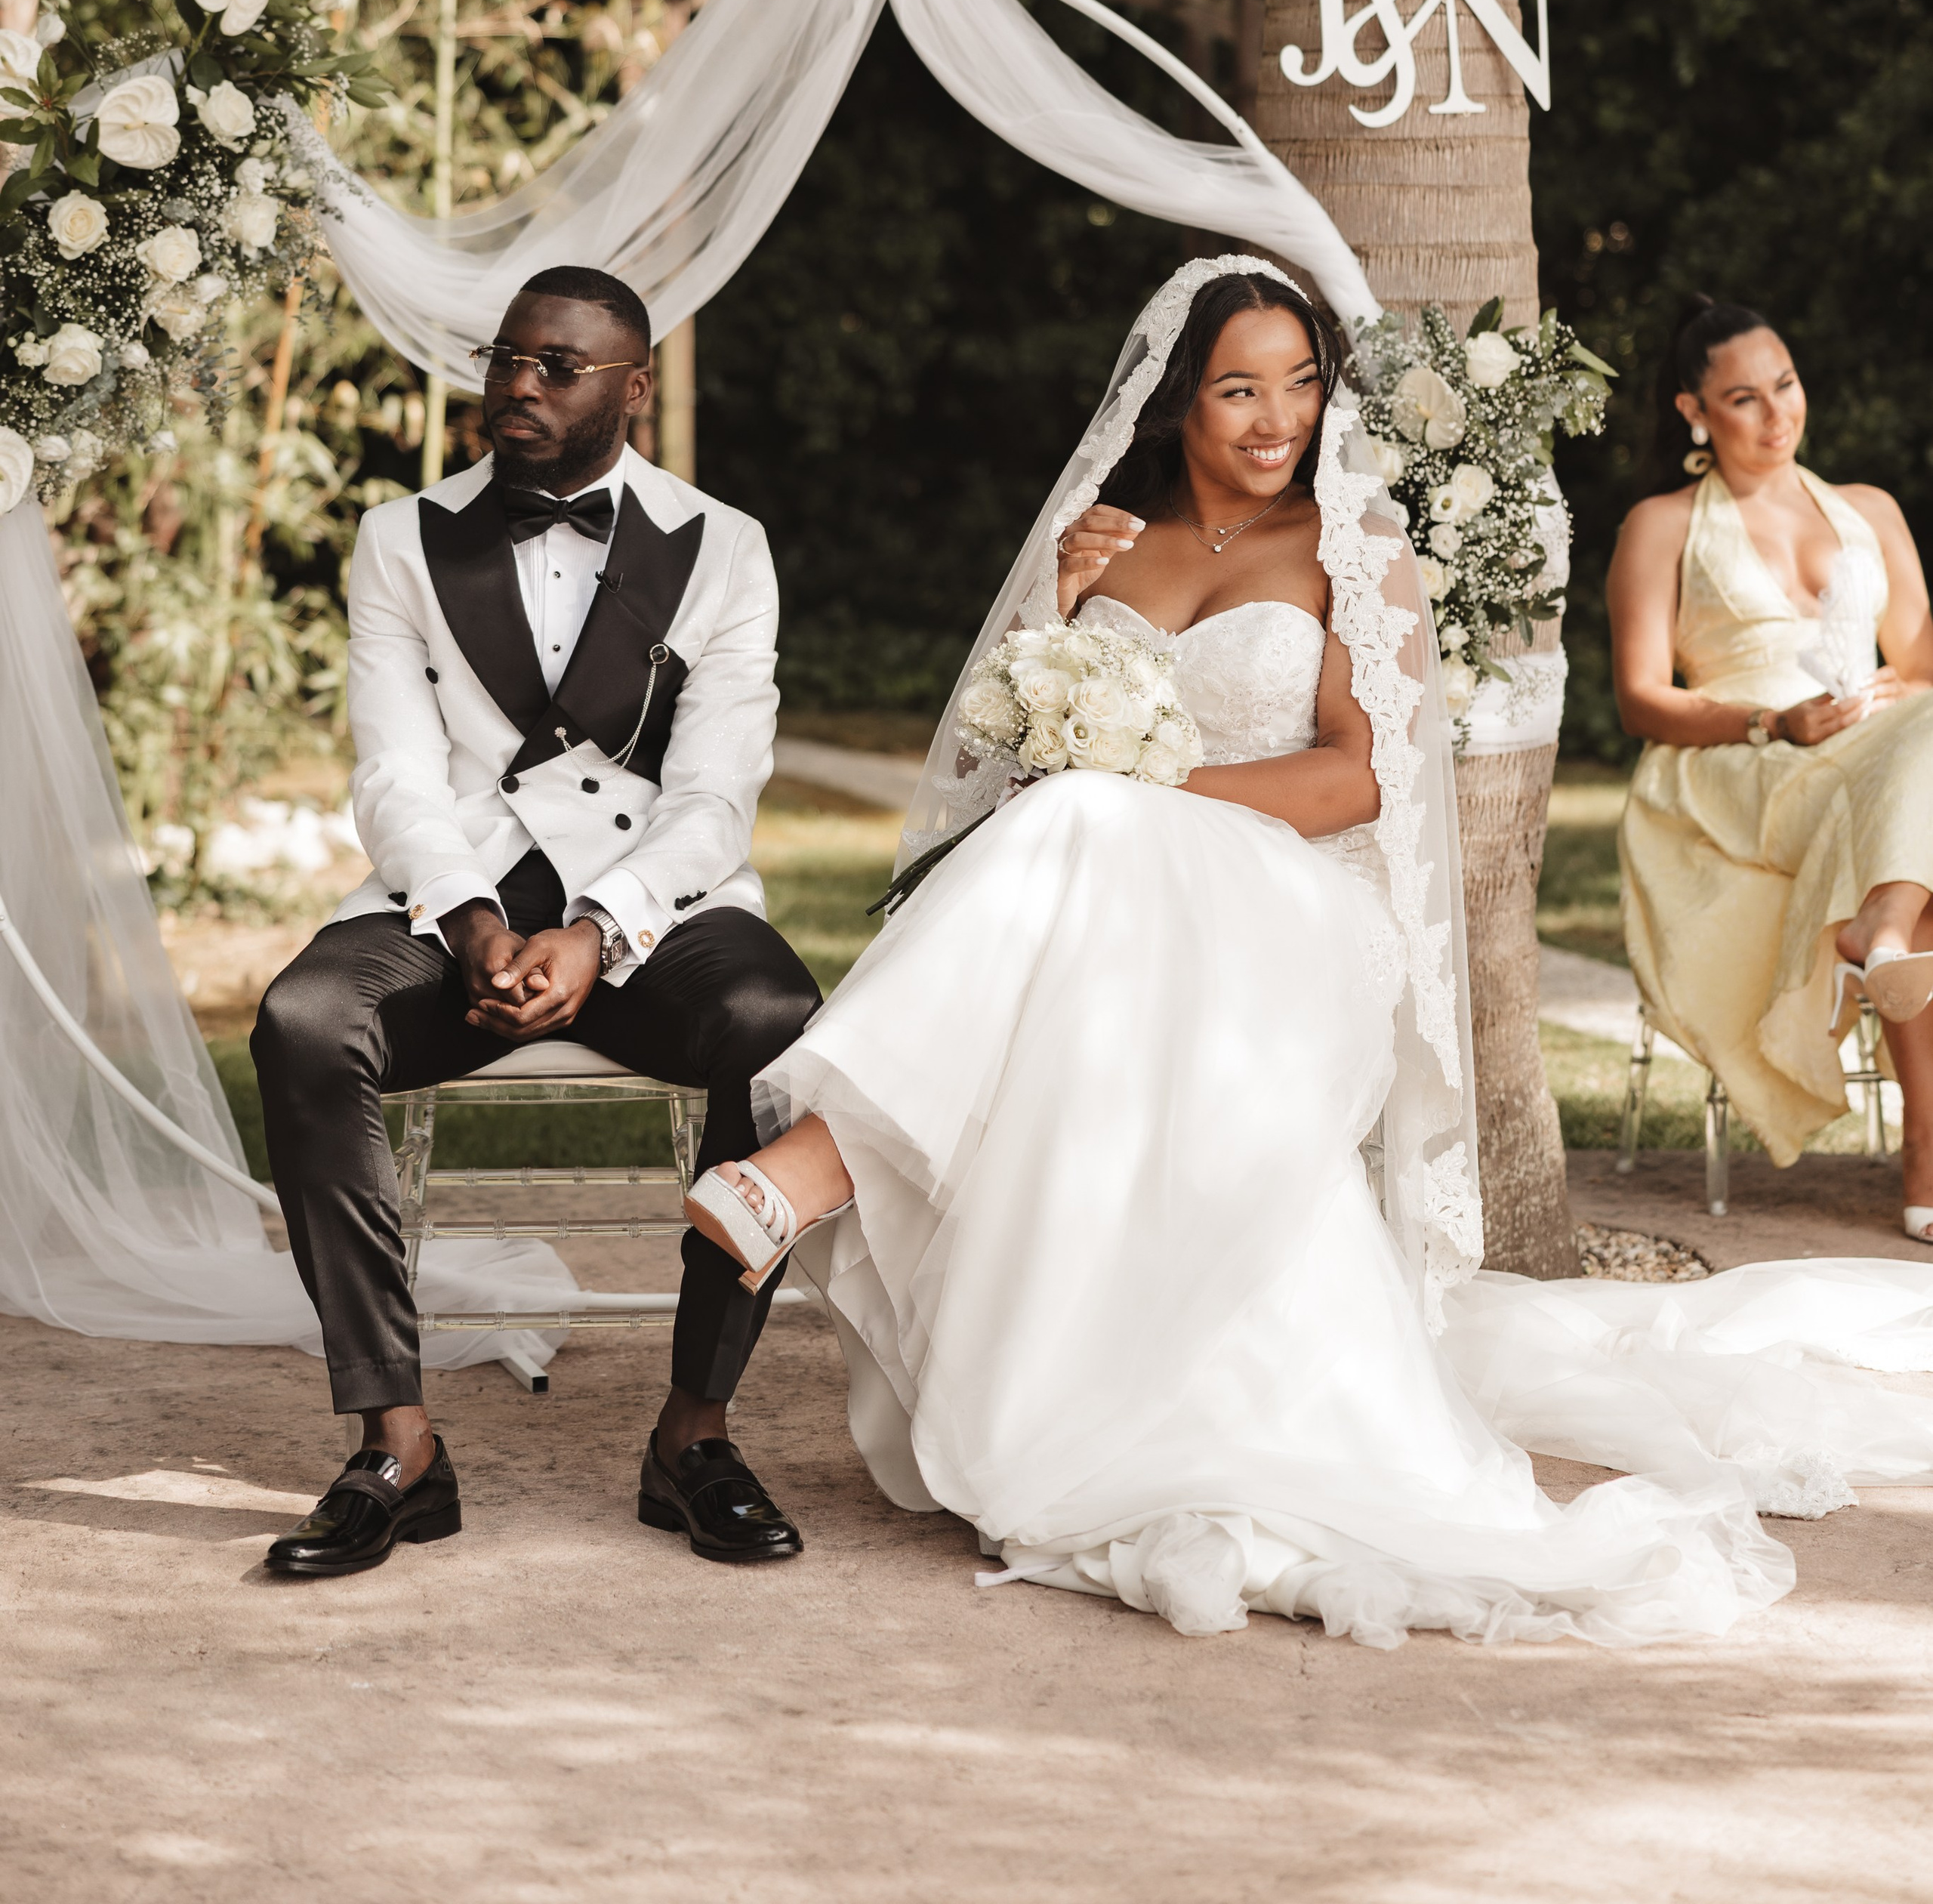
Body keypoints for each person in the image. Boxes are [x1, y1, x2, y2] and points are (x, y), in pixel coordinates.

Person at [676, 258, 1933, 1646]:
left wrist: (1147, 794)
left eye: (1299, 382)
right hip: (1112, 890)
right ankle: (902, 1250)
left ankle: (812, 1164)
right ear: (1179, 399)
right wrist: (1054, 607)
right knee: (1075, 841)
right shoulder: (1110, 539)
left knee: (1088, 827)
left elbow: (1358, 783)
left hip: (1291, 902)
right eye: (1237, 387)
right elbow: (1003, 750)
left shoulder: (1353, 547)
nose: (1274, 417)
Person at [253, 266, 821, 1576]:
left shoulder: (721, 547)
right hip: (453, 903)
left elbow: (717, 795)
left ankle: (695, 1434)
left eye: (556, 366)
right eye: (508, 358)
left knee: (778, 1026)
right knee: (302, 1018)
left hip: (651, 909)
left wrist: (601, 931)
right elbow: (393, 774)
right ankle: (396, 1446)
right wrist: (466, 926)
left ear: (632, 388)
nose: (517, 383)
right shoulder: (402, 538)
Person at [1607, 296, 1933, 1229]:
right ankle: (1924, 1155)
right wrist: (1774, 723)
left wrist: (1878, 704)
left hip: (1881, 740)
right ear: (1693, 413)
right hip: (1737, 755)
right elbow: (1641, 699)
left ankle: (1883, 927)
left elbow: (1917, 667)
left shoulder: (1869, 509)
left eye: (1784, 385)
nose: (1776, 413)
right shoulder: (1661, 524)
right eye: (1743, 398)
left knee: (1913, 773)